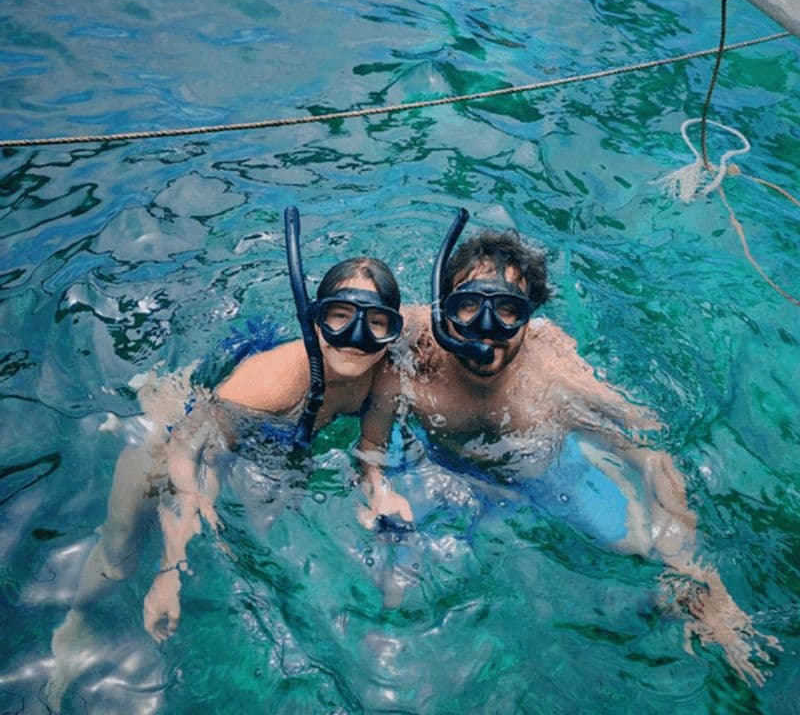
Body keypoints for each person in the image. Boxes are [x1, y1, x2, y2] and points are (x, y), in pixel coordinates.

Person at [358, 209, 779, 687]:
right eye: (468, 305)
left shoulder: (554, 373)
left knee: (642, 546)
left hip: (541, 469)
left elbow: (650, 450)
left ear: (530, 317)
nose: (486, 327)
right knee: (395, 586)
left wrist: (695, 570)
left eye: (507, 310)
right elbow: (370, 442)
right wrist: (377, 488)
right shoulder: (415, 349)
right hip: (441, 469)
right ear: (444, 309)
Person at [46, 210, 406, 707]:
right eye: (340, 317)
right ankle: (77, 621)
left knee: (258, 538)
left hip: (271, 444)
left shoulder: (384, 374)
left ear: (392, 333)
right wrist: (170, 570)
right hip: (184, 439)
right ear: (314, 319)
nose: (357, 337)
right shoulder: (271, 382)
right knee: (123, 552)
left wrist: (380, 490)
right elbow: (191, 454)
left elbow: (373, 450)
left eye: (377, 322)